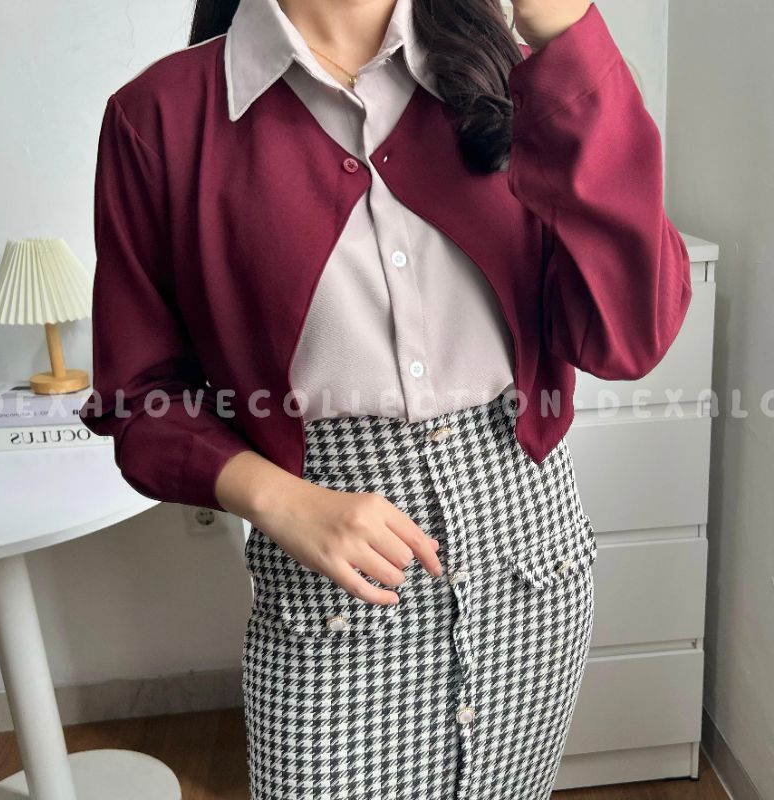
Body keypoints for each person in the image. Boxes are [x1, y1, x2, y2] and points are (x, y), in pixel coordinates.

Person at [79, 0, 693, 796]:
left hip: (530, 567)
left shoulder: (506, 73)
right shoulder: (159, 118)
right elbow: (140, 399)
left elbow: (633, 333)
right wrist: (282, 500)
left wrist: (569, 41)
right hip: (331, 591)